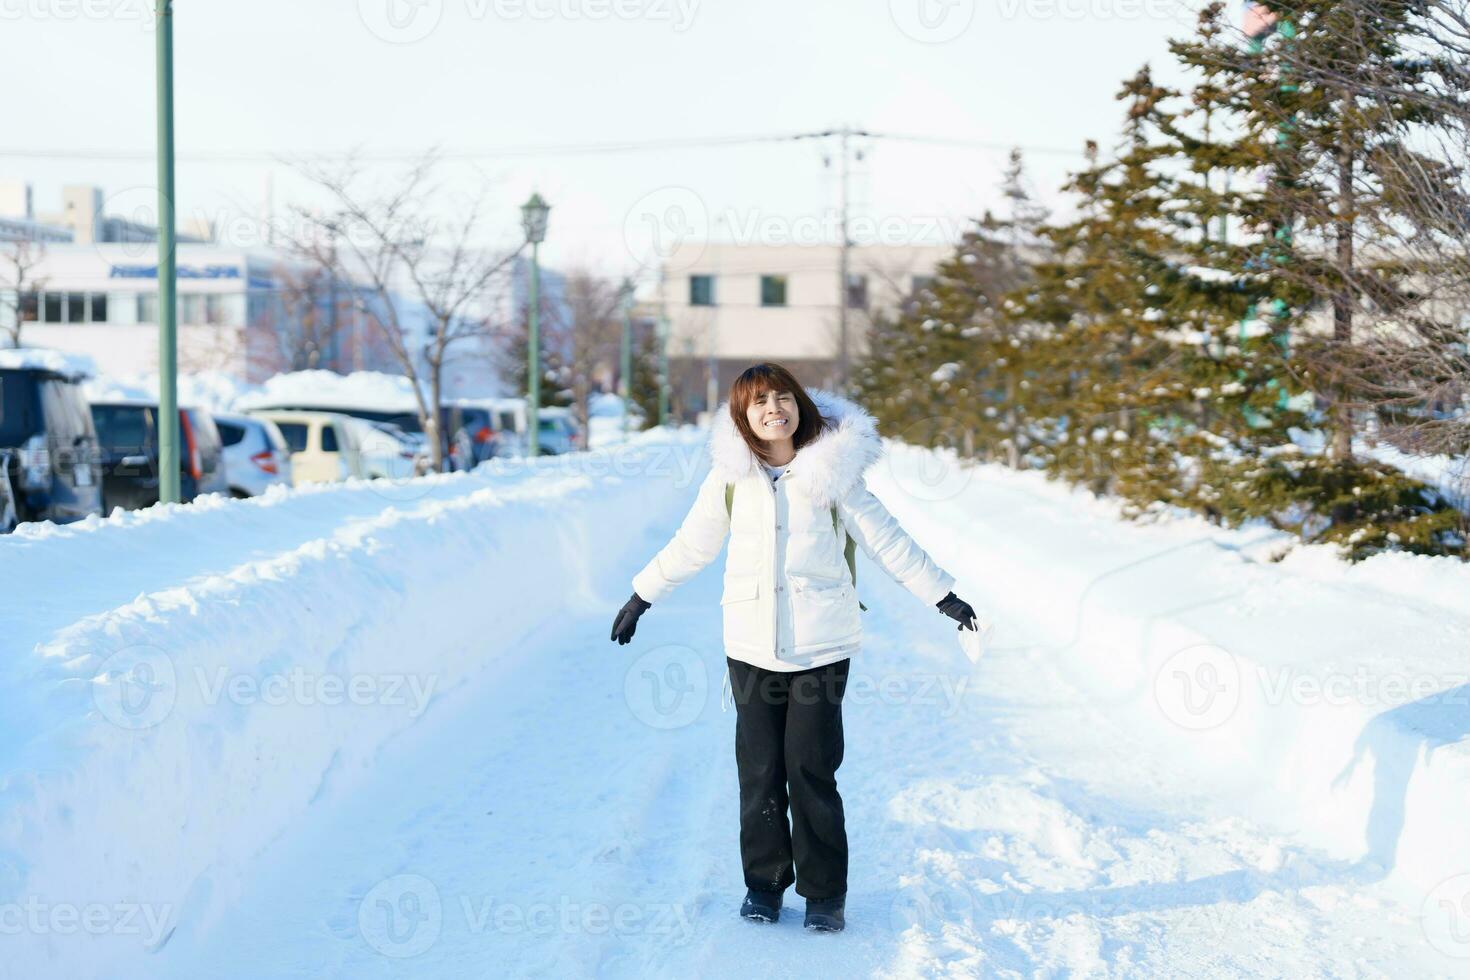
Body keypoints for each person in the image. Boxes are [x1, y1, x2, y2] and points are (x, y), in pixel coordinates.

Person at [609, 362, 978, 933]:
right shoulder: (730, 479)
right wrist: (642, 595)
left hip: (821, 646)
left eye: (782, 398)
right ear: (743, 416)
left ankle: (825, 894)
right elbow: (692, 544)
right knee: (758, 770)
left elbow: (886, 540)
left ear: (799, 405)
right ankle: (764, 884)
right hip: (750, 646)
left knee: (810, 769)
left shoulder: (833, 474)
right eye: (758, 402)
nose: (772, 409)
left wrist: (943, 596)